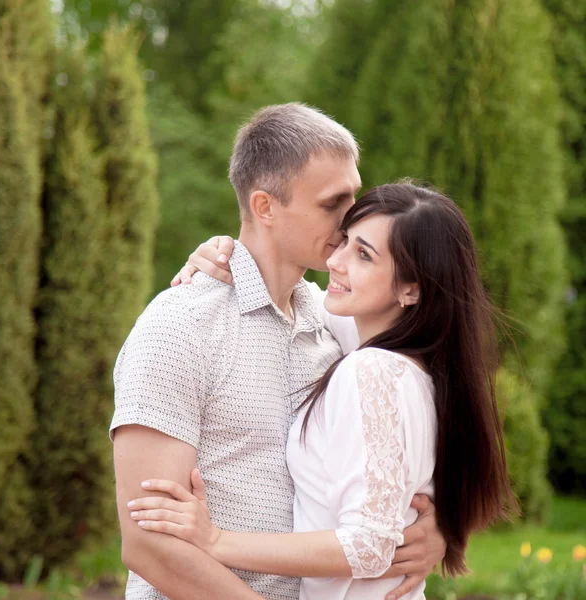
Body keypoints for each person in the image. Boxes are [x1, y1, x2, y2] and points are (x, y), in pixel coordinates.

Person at [111, 104, 446, 600]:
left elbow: (426, 421)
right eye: (334, 203)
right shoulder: (179, 327)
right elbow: (148, 544)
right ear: (265, 207)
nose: (354, 216)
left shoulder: (339, 321)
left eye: (355, 196)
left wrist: (437, 526)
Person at [127, 183, 514, 599]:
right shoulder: (410, 363)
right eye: (345, 241)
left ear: (411, 289)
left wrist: (216, 540)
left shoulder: (370, 369)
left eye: (364, 255)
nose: (334, 260)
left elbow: (368, 544)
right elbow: (285, 291)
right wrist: (229, 254)